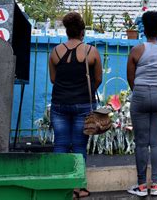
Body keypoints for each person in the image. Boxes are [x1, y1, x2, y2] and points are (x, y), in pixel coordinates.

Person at [48, 11, 102, 199]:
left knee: (60, 144)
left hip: (59, 104)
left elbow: (53, 79)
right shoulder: (91, 51)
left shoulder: (55, 52)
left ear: (67, 31)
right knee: (79, 146)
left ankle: (60, 187)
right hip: (83, 105)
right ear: (82, 32)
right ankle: (79, 188)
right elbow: (98, 79)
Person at [126, 11, 157, 197]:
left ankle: (140, 185)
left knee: (140, 143)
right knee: (156, 142)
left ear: (144, 29)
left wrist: (139, 91)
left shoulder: (136, 50)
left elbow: (130, 77)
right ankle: (155, 184)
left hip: (139, 95)